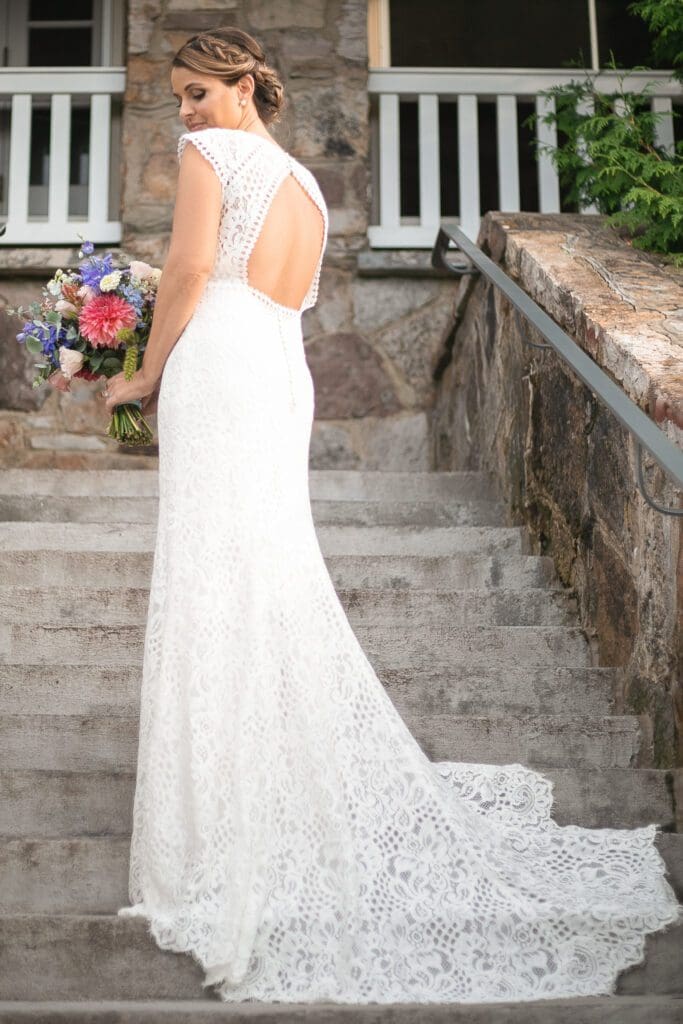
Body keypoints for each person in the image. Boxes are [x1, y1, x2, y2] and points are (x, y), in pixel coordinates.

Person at [111, 26, 682, 1004]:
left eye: (197, 92)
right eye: (178, 100)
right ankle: (254, 793)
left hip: (218, 367)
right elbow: (270, 291)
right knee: (262, 570)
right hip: (278, 371)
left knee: (213, 572)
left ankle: (217, 825)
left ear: (245, 86)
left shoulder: (212, 156)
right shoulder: (296, 182)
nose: (185, 114)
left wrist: (145, 373)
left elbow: (193, 271)